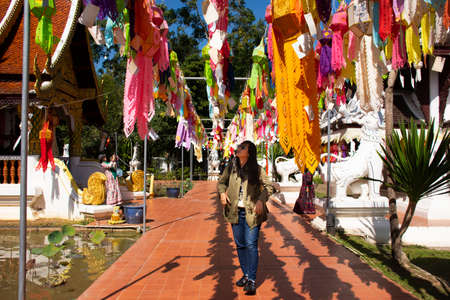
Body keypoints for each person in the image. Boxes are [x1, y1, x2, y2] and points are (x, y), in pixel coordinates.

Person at [218, 141, 273, 295]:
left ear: (249, 152)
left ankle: (252, 280)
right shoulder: (232, 167)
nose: (238, 149)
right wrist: (222, 193)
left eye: (242, 147)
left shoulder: (257, 169)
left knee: (251, 244)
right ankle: (246, 275)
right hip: (235, 212)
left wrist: (261, 200)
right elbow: (221, 183)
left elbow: (269, 186)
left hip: (252, 213)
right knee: (240, 244)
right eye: (239, 147)